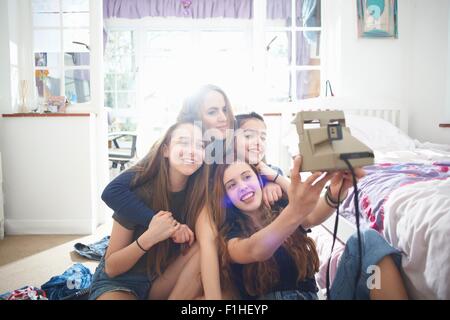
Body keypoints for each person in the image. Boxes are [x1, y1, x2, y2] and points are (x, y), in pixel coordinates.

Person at [100, 84, 237, 299]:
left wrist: (271, 179)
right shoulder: (144, 186)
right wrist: (160, 227)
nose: (223, 118)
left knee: (209, 249)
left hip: (160, 274)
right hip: (123, 277)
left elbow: (254, 169)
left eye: (225, 109)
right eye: (212, 111)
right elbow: (112, 192)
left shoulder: (215, 162)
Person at [210, 156, 409, 300]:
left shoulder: (280, 210)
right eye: (232, 185)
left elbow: (313, 216)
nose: (243, 186)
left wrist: (336, 191)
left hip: (312, 296)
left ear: (258, 180)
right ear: (224, 196)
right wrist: (296, 209)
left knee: (367, 241)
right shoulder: (229, 237)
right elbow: (257, 249)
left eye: (247, 177)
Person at [89, 121, 206, 300]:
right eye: (183, 142)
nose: (192, 151)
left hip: (161, 279)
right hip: (121, 281)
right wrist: (151, 236)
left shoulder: (199, 195)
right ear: (165, 150)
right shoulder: (137, 194)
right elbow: (111, 268)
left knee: (205, 246)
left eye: (200, 145)